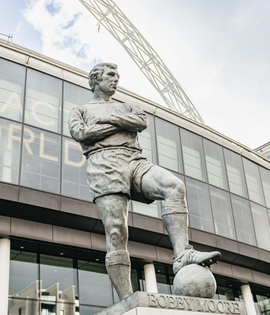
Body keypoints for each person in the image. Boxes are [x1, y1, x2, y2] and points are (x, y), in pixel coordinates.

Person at [68, 63, 220, 300]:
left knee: (174, 186)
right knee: (117, 231)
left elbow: (141, 122)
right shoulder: (80, 110)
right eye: (110, 75)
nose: (116, 80)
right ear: (96, 79)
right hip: (104, 164)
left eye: (118, 76)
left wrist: (104, 122)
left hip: (135, 160)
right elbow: (82, 134)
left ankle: (182, 254)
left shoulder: (128, 106)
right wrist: (121, 122)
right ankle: (127, 300)